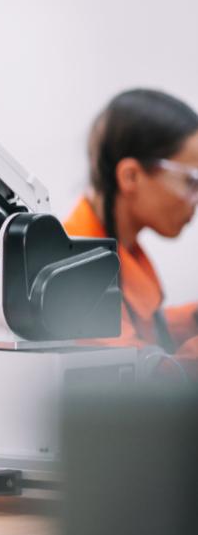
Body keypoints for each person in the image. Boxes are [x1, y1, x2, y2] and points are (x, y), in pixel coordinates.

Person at [64, 88, 198, 367]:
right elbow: (138, 375)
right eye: (190, 182)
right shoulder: (73, 269)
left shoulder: (119, 249)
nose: (195, 198)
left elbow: (144, 327)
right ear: (131, 176)